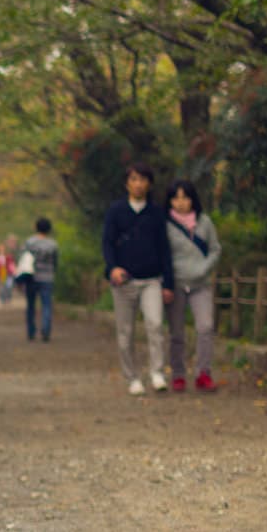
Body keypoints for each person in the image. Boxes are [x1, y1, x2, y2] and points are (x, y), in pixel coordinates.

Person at [101, 162, 175, 394]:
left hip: (152, 279)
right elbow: (107, 243)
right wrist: (112, 268)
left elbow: (165, 249)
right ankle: (132, 377)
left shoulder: (156, 213)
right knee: (125, 332)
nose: (138, 184)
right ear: (126, 183)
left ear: (149, 184)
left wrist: (168, 283)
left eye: (142, 179)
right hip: (124, 281)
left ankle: (157, 373)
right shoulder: (116, 211)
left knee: (154, 325)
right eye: (133, 179)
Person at [163, 179, 222, 392]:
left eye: (185, 197)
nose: (181, 202)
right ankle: (178, 374)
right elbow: (162, 254)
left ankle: (203, 373)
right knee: (176, 332)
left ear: (192, 199)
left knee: (205, 327)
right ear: (170, 200)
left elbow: (216, 249)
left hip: (201, 283)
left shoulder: (204, 222)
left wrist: (204, 268)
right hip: (176, 284)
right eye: (176, 198)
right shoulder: (165, 224)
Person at [22, 217, 60, 342]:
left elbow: (24, 258)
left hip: (31, 277)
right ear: (49, 229)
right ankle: (46, 330)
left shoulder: (30, 242)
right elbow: (55, 262)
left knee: (31, 305)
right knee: (46, 305)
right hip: (47, 278)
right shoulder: (53, 244)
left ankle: (31, 332)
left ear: (36, 227)